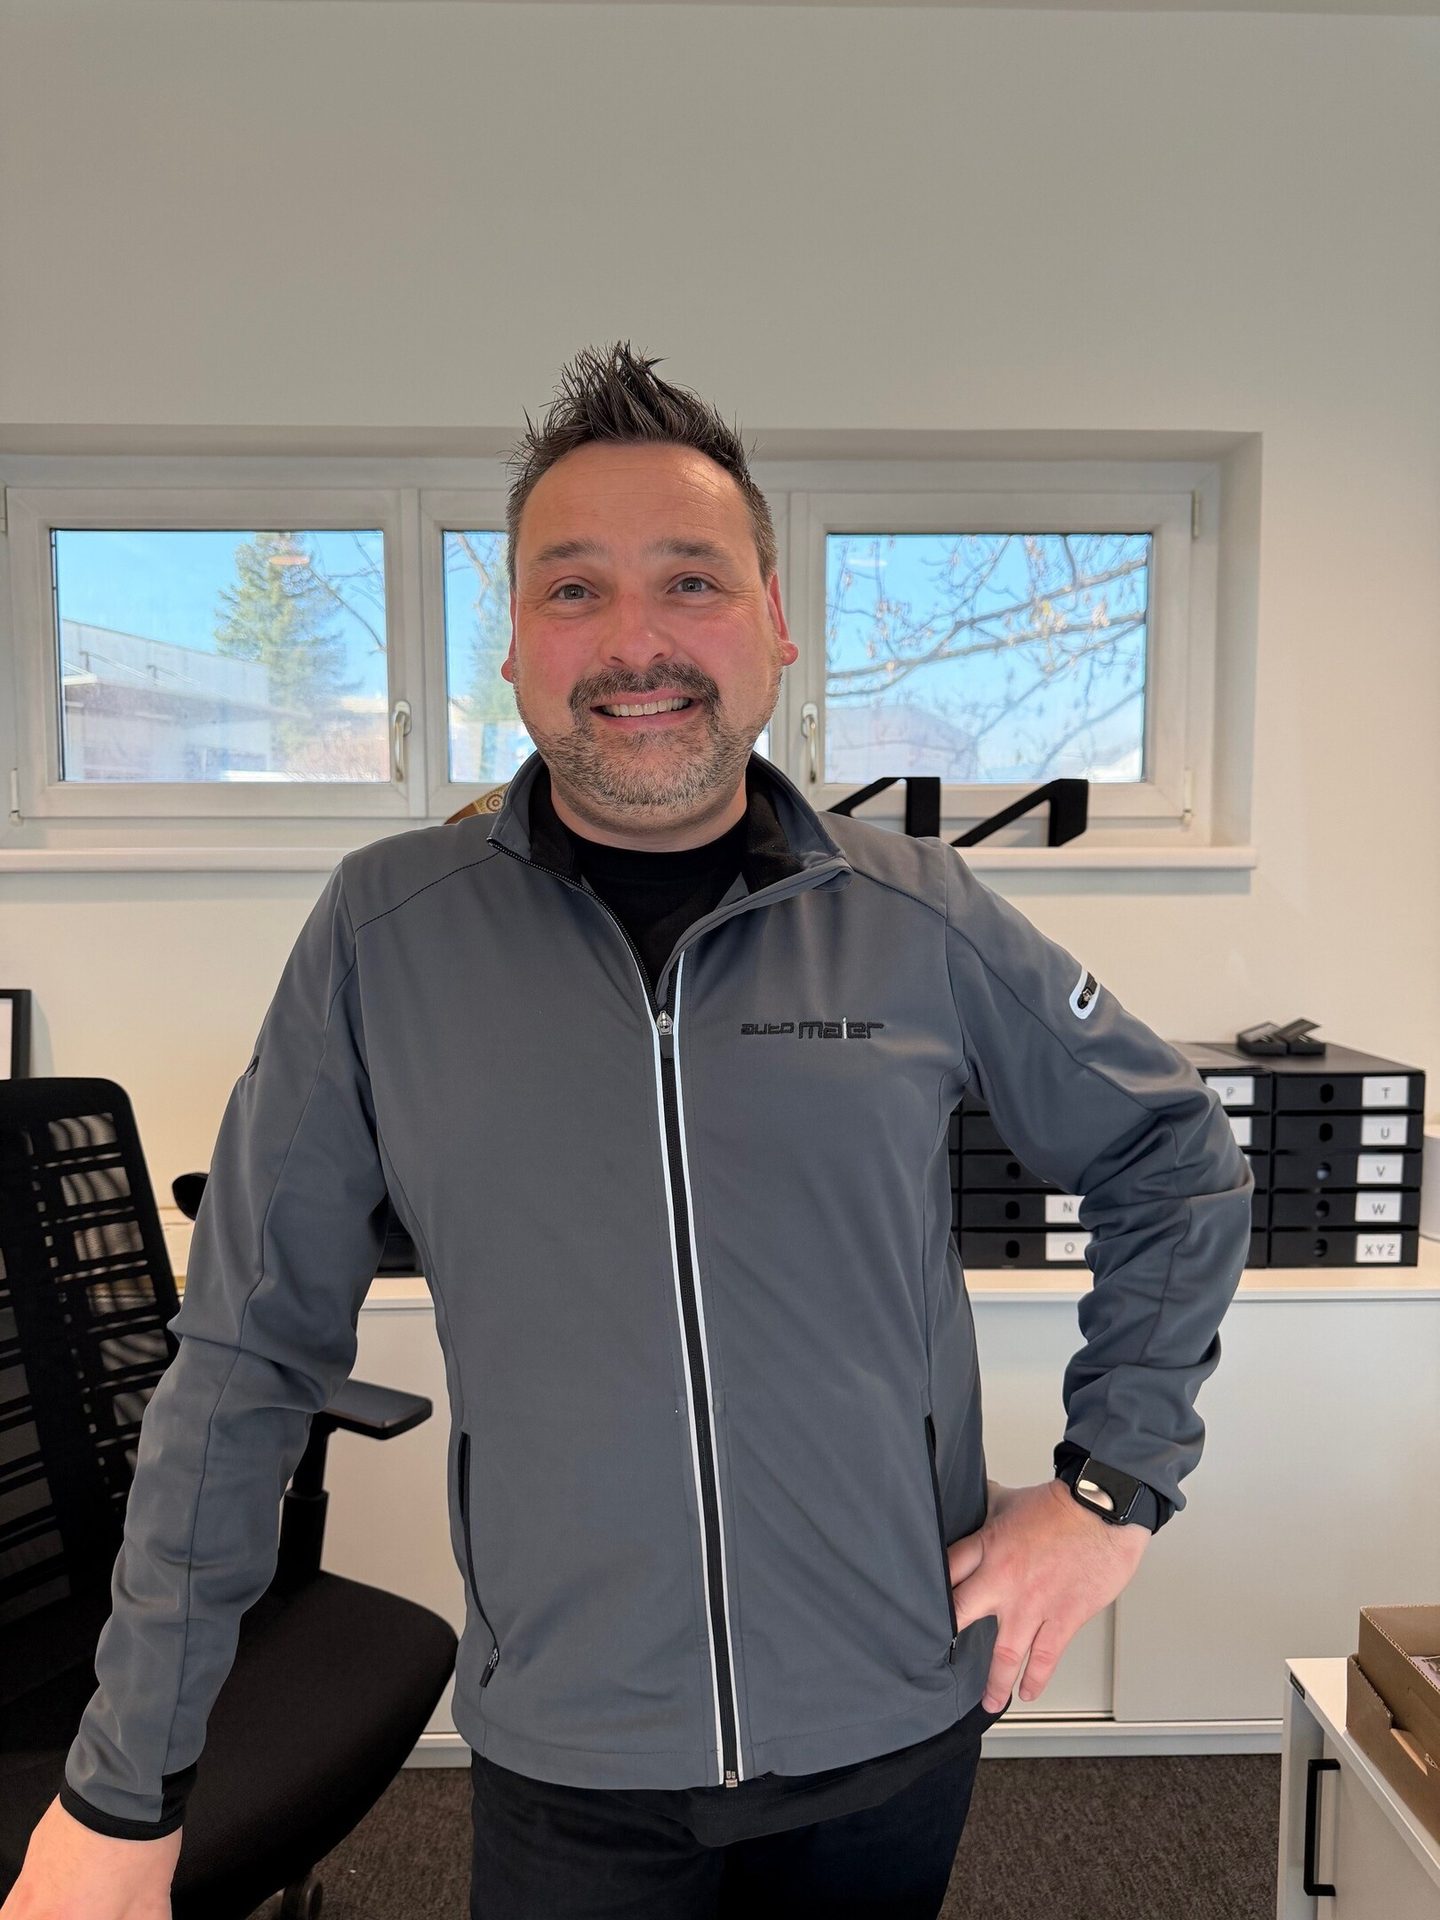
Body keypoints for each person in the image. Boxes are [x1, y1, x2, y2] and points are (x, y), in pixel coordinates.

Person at [2, 342, 1253, 1920]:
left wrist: (1107, 1497)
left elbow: (1176, 1160)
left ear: (778, 628)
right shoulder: (384, 935)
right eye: (573, 589)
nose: (637, 639)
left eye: (693, 581)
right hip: (575, 1759)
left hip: (895, 1721)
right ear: (513, 649)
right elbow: (242, 1366)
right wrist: (126, 1790)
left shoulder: (917, 913)